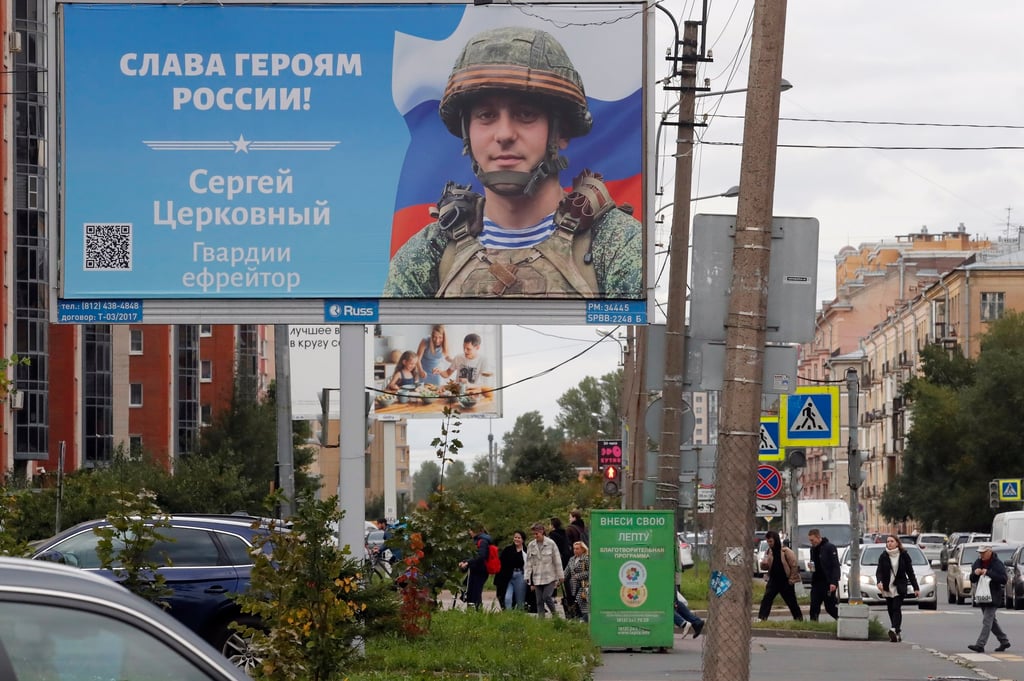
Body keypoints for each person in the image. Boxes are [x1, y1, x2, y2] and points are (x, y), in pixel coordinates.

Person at [382, 26, 642, 299]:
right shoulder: (428, 252)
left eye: (525, 114)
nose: (504, 134)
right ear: (467, 133)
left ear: (560, 132)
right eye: (486, 115)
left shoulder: (615, 243)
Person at [875, 534, 920, 642]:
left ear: (897, 543)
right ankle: (896, 632)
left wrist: (916, 587)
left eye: (891, 541)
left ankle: (894, 628)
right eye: (888, 541)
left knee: (896, 607)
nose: (889, 543)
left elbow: (910, 572)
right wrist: (879, 582)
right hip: (887, 586)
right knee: (890, 608)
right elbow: (879, 571)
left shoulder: (903, 555)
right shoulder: (884, 555)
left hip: (899, 586)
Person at [968, 545, 1011, 653]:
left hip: (994, 596)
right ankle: (1004, 641)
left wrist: (988, 573)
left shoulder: (997, 563)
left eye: (983, 552)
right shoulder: (978, 562)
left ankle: (980, 645)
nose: (981, 555)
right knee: (992, 622)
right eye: (980, 553)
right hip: (982, 595)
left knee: (987, 620)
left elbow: (1003, 579)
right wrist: (975, 573)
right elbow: (972, 578)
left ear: (989, 552)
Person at [757, 530, 803, 621]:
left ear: (776, 540)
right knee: (766, 599)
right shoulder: (769, 552)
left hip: (785, 581)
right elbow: (766, 566)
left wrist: (791, 579)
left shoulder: (785, 551)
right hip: (773, 580)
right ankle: (762, 618)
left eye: (771, 541)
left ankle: (799, 619)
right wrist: (764, 563)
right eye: (768, 542)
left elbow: (794, 565)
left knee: (791, 602)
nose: (769, 544)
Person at [525, 522, 563, 618]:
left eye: (536, 534)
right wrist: (527, 576)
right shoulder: (531, 545)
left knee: (546, 596)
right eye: (533, 534)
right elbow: (528, 562)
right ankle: (541, 621)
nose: (535, 536)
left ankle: (555, 615)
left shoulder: (551, 543)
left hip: (549, 576)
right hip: (537, 577)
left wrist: (561, 575)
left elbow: (557, 560)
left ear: (542, 532)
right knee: (539, 601)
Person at [807, 528, 840, 621]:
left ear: (818, 537)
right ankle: (813, 625)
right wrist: (811, 567)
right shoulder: (812, 549)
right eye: (810, 540)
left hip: (827, 582)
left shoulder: (829, 547)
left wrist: (834, 582)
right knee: (814, 607)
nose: (811, 542)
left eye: (812, 540)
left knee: (830, 607)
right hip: (816, 582)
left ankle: (843, 621)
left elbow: (835, 566)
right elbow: (814, 563)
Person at [457, 525, 493, 610]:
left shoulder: (483, 541)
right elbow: (473, 556)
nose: (470, 532)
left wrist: (467, 562)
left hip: (479, 571)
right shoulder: (476, 540)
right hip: (474, 570)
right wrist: (465, 561)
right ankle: (472, 611)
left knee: (475, 594)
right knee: (470, 591)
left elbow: (481, 556)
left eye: (471, 530)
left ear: (477, 531)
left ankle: (476, 612)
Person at [495, 530, 528, 610]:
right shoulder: (508, 550)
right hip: (508, 576)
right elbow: (501, 564)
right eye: (515, 537)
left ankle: (519, 618)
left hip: (521, 576)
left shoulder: (526, 551)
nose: (516, 539)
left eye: (519, 538)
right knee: (507, 598)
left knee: (520, 601)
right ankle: (508, 616)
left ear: (522, 540)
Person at [563, 541, 590, 621]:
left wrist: (578, 576)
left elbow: (591, 571)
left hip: (584, 585)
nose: (575, 550)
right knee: (575, 602)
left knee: (581, 600)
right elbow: (567, 572)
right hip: (573, 586)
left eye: (577, 549)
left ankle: (585, 619)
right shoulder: (572, 559)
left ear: (583, 549)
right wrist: (559, 580)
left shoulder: (586, 558)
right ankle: (578, 618)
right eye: (574, 549)